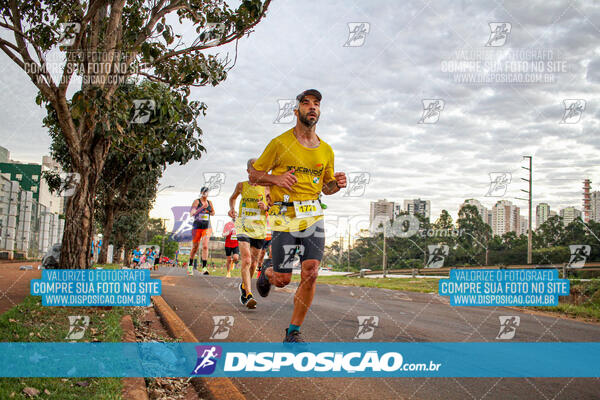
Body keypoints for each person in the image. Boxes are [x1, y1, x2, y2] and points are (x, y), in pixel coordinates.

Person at [249, 89, 347, 342]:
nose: (312, 107)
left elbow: (326, 188)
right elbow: (254, 175)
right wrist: (276, 178)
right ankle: (268, 272)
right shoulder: (280, 143)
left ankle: (293, 332)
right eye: (306, 103)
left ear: (319, 112)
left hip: (314, 215)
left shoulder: (326, 150)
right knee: (283, 280)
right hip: (285, 215)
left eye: (316, 104)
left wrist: (337, 184)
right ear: (296, 112)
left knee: (311, 271)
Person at [228, 162, 269, 309]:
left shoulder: (266, 187)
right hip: (243, 225)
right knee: (246, 259)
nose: (257, 173)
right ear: (248, 171)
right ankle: (249, 294)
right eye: (254, 170)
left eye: (260, 170)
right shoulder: (241, 185)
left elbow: (274, 205)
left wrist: (267, 207)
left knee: (253, 263)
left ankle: (244, 287)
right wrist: (232, 209)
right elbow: (232, 198)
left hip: (259, 228)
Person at [190, 187, 215, 275]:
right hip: (197, 227)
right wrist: (201, 209)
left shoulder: (210, 202)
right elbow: (192, 213)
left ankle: (204, 267)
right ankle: (190, 266)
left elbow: (213, 213)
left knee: (205, 246)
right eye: (203, 192)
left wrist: (209, 211)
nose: (205, 193)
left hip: (207, 227)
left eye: (206, 192)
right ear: (201, 193)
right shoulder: (197, 201)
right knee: (195, 247)